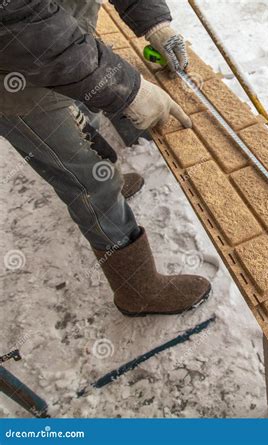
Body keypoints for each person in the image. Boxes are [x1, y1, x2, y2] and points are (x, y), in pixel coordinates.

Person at [0, 0, 211, 317]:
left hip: (65, 44)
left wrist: (154, 24)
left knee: (85, 117)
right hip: (16, 80)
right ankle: (138, 290)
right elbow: (20, 21)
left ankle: (105, 180)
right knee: (88, 181)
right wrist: (126, 89)